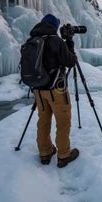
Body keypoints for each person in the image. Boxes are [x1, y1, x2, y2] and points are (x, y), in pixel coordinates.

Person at [29, 14, 79, 168]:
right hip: (56, 90)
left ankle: (45, 152)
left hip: (38, 90)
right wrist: (69, 42)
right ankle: (64, 155)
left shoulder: (31, 41)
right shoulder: (56, 41)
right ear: (55, 27)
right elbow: (70, 61)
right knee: (63, 121)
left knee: (43, 120)